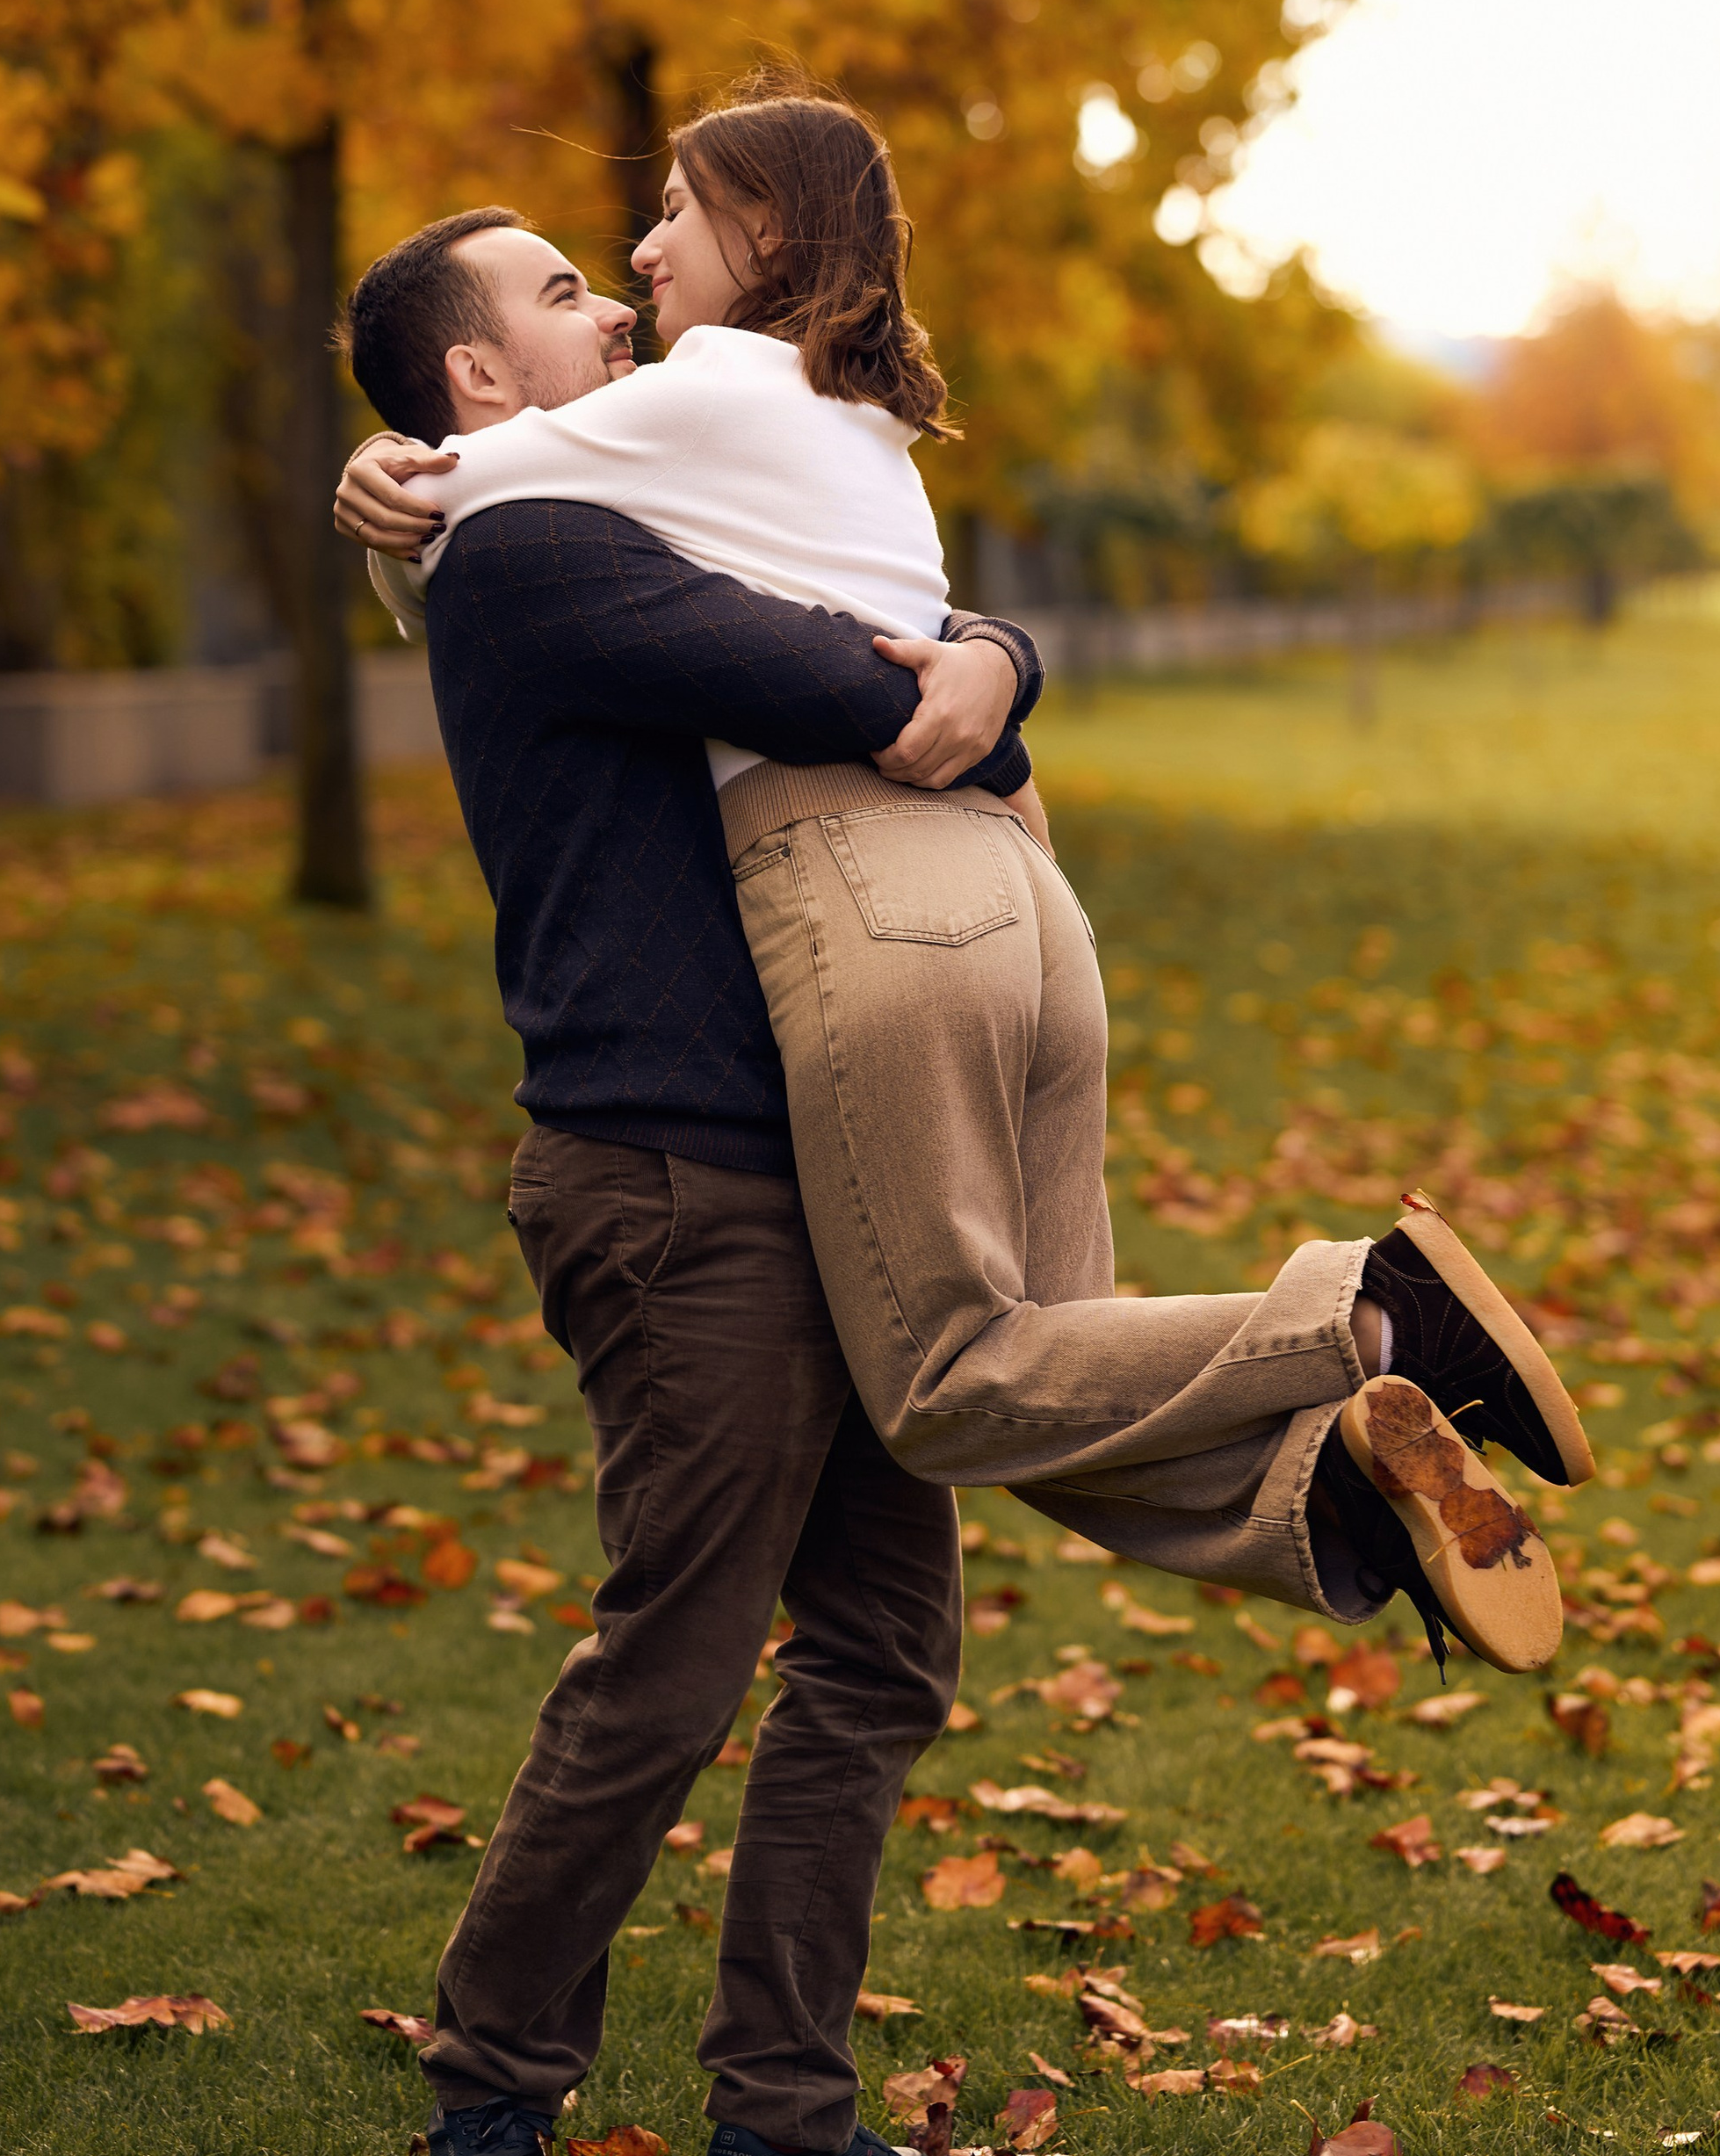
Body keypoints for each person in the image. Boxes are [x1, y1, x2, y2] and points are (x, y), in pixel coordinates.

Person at [337, 83, 1593, 1697]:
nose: (636, 258)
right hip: (1031, 904)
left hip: (866, 889)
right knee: (1060, 1368)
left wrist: (383, 483)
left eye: (663, 219)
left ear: (764, 234)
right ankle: (1341, 1489)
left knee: (944, 1382)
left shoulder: (692, 398)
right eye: (584, 271)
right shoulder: (855, 410)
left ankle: (1374, 1313)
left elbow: (474, 501)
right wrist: (1005, 659)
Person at [331, 197, 1046, 2156]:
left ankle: (782, 2109)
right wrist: (971, 665)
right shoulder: (529, 547)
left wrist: (995, 649)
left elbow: (926, 654)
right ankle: (486, 2089)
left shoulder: (639, 509)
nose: (612, 296)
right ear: (477, 380)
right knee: (675, 1656)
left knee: (884, 1646)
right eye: (558, 289)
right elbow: (851, 677)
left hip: (811, 1158)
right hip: (673, 1175)